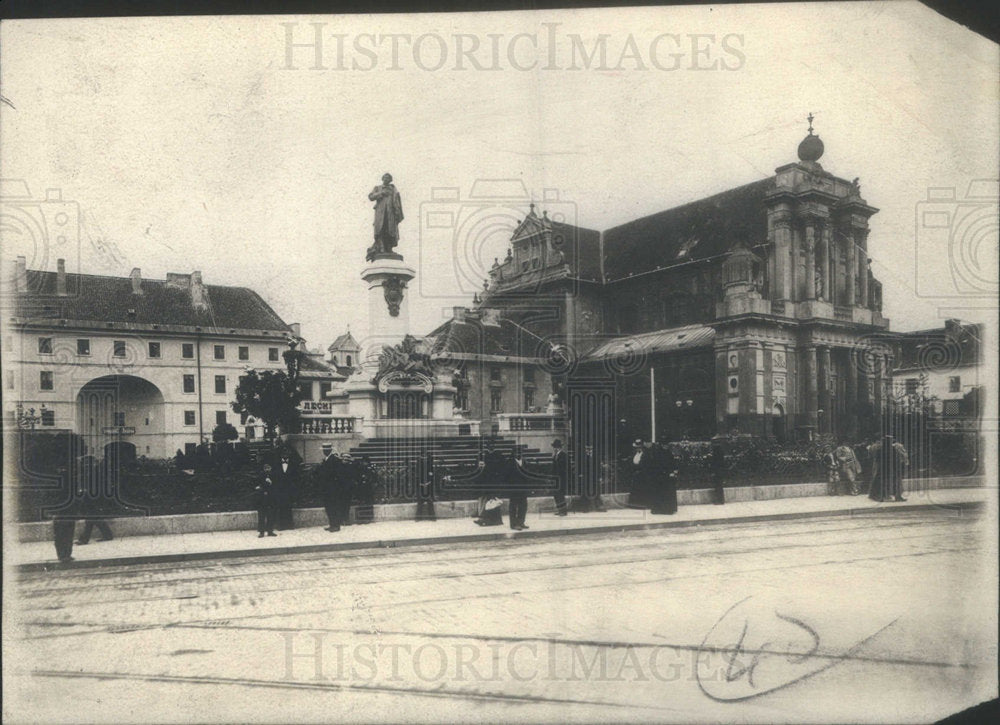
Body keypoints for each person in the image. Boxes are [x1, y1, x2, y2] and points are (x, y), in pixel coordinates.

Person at [367, 173, 404, 260]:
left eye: (388, 178)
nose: (386, 179)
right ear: (382, 179)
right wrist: (381, 193)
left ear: (390, 180)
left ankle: (389, 249)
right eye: (385, 177)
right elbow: (371, 197)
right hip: (381, 213)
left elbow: (397, 201)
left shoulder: (393, 189)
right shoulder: (378, 188)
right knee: (380, 230)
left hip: (390, 213)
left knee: (390, 231)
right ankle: (382, 248)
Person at [869, 434, 909, 502]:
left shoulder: (881, 449)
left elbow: (877, 459)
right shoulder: (893, 448)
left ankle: (882, 497)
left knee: (883, 483)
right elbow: (897, 459)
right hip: (890, 469)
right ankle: (896, 496)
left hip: (884, 469)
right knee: (894, 483)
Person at [269, 446, 300, 530]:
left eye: (286, 453)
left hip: (289, 489)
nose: (285, 455)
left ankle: (289, 525)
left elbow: (296, 478)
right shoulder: (276, 465)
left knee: (288, 507)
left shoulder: (293, 464)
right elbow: (274, 477)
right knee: (280, 507)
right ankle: (281, 525)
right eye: (283, 454)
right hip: (279, 489)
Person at [318, 450, 347, 532]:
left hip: (334, 489)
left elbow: (339, 474)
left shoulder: (335, 460)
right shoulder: (325, 460)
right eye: (324, 450)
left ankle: (336, 525)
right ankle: (332, 524)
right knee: (329, 507)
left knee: (334, 507)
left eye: (326, 450)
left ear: (329, 450)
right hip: (327, 488)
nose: (324, 451)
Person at [573, 444, 607, 513]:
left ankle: (599, 506)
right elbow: (579, 466)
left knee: (597, 492)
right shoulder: (582, 457)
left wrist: (600, 477)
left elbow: (599, 468)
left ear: (592, 449)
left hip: (595, 477)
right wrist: (580, 474)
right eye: (587, 449)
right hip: (586, 477)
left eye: (590, 449)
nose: (588, 450)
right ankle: (585, 507)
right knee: (585, 493)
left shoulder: (596, 457)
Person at [649, 441, 679, 515]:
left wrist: (674, 471)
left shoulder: (669, 453)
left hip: (668, 476)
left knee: (667, 493)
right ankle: (660, 509)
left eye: (666, 444)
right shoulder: (658, 454)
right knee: (660, 493)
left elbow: (673, 463)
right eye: (664, 444)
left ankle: (668, 509)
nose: (666, 446)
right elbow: (657, 465)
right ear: (661, 445)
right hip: (661, 476)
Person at [507, 452, 532, 531]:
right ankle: (513, 524)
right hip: (514, 489)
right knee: (513, 506)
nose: (518, 454)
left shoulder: (524, 462)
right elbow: (507, 476)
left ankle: (521, 522)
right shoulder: (510, 463)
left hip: (523, 488)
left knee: (523, 506)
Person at [254, 464, 277, 537]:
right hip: (262, 499)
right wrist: (264, 484)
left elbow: (276, 486)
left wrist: (271, 483)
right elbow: (257, 486)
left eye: (268, 468)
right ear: (263, 469)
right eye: (265, 468)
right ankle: (261, 532)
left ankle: (270, 531)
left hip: (270, 498)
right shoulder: (260, 476)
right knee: (261, 516)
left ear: (271, 468)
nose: (267, 469)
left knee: (270, 515)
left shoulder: (274, 476)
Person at [415, 451, 436, 521]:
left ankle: (431, 517)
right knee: (421, 502)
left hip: (426, 485)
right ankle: (420, 517)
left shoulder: (428, 466)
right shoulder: (420, 468)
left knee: (428, 501)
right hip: (422, 485)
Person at [355, 455, 377, 524]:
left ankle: (368, 518)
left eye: (366, 462)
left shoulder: (370, 468)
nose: (365, 463)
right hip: (362, 488)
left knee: (368, 502)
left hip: (368, 488)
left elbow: (374, 477)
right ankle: (361, 518)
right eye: (364, 462)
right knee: (362, 502)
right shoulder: (360, 468)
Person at [551, 438, 569, 516]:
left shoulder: (563, 455)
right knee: (556, 495)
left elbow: (564, 468)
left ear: (558, 447)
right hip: (556, 479)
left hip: (561, 479)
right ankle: (560, 510)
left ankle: (563, 511)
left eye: (555, 447)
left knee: (560, 495)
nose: (554, 448)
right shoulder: (555, 456)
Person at [710, 439, 727, 505]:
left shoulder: (716, 451)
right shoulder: (721, 451)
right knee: (720, 485)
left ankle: (718, 500)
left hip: (717, 471)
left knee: (717, 486)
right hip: (720, 470)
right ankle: (721, 500)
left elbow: (714, 462)